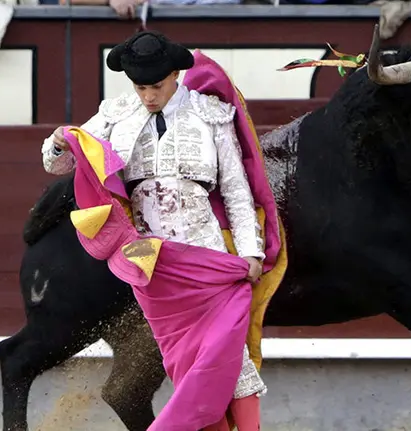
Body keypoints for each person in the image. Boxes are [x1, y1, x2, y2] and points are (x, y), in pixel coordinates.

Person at [40, 30, 266, 431]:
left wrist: (250, 250)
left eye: (156, 86)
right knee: (187, 364)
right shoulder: (115, 114)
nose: (148, 96)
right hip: (152, 262)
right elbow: (60, 164)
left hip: (207, 255)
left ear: (175, 75)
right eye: (140, 87)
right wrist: (59, 142)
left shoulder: (210, 113)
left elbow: (235, 189)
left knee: (232, 360)